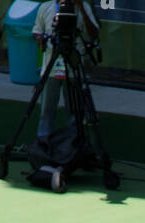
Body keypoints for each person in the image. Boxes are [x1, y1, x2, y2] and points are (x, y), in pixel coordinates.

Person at [33, 0, 100, 139]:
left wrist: (80, 8)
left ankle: (73, 144)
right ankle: (43, 143)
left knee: (74, 111)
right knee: (46, 110)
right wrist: (42, 40)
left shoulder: (83, 7)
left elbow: (94, 34)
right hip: (50, 67)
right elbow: (37, 31)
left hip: (73, 67)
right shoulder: (46, 7)